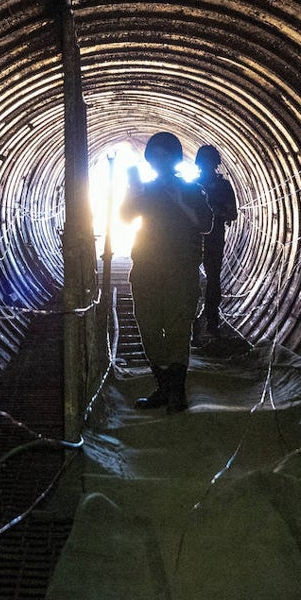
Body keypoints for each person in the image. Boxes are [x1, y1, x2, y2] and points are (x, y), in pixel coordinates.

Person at [121, 132, 213, 412]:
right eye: (155, 155)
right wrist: (132, 190)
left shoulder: (191, 189)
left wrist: (180, 201)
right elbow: (125, 217)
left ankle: (177, 391)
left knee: (177, 327)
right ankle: (162, 387)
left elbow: (206, 224)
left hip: (181, 268)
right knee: (148, 326)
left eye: (164, 155)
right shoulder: (144, 188)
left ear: (173, 158)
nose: (159, 161)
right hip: (147, 266)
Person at [195, 144, 238, 337]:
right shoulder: (217, 186)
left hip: (200, 239)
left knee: (209, 279)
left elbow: (232, 213)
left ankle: (207, 319)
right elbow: (232, 214)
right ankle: (207, 320)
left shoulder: (196, 185)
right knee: (211, 278)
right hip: (206, 238)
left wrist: (214, 212)